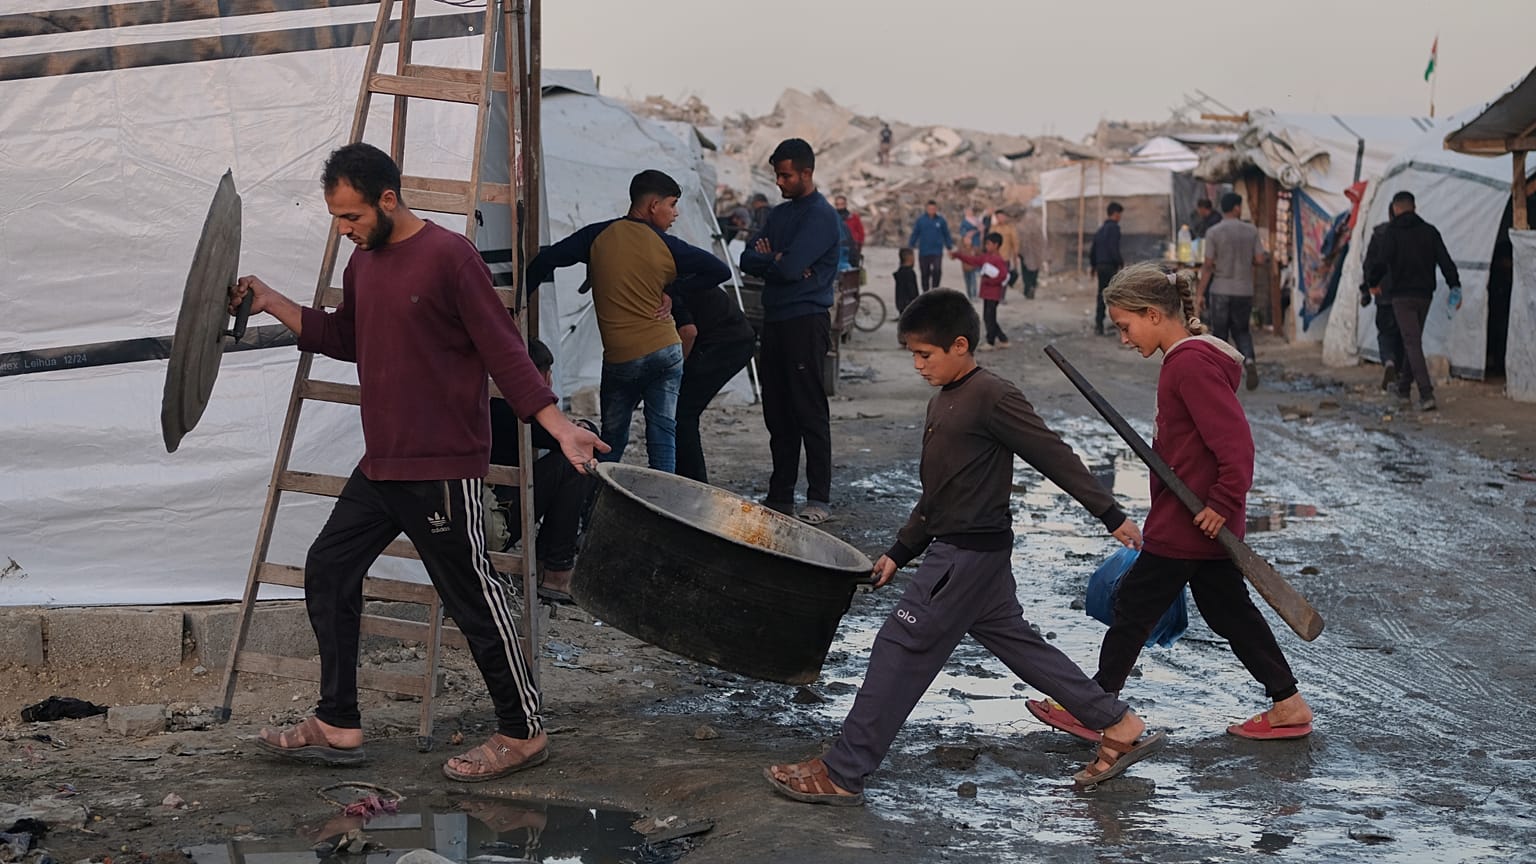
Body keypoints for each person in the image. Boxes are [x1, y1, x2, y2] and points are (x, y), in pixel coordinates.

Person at [235, 142, 607, 780]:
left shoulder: (448, 257)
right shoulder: (364, 265)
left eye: (352, 218)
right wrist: (273, 299)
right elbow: (345, 338)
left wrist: (557, 424)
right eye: (337, 220)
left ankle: (523, 732)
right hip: (383, 462)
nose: (345, 232)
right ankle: (339, 720)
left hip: (439, 466)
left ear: (388, 199)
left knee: (474, 596)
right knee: (328, 568)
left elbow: (504, 351)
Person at [762, 289, 1162, 805]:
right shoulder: (942, 400)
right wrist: (900, 551)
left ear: (959, 345)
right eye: (912, 354)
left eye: (924, 355)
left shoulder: (992, 394)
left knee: (898, 649)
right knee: (1021, 646)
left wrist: (1109, 514)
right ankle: (1120, 722)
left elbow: (1052, 454)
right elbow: (939, 493)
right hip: (972, 558)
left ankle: (844, 771)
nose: (917, 365)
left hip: (966, 557)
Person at [1031, 263, 1313, 745]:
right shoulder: (1186, 361)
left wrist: (1222, 502)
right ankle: (1287, 703)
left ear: (1154, 314)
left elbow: (1236, 445)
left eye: (1126, 326)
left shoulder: (1189, 363)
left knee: (1135, 608)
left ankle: (1097, 706)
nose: (1124, 338)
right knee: (1229, 613)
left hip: (1192, 522)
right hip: (1195, 522)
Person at [527, 170, 728, 473]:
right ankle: (661, 513)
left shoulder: (596, 236)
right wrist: (671, 289)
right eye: (672, 205)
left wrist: (515, 307)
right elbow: (719, 271)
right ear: (653, 205)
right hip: (666, 352)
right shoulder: (670, 247)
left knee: (611, 443)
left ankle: (596, 510)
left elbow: (546, 260)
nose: (675, 214)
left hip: (622, 360)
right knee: (663, 439)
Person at [739, 138, 840, 524]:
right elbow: (749, 258)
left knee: (808, 408)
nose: (779, 182)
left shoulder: (821, 216)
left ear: (806, 173)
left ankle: (818, 498)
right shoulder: (779, 216)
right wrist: (773, 260)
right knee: (777, 411)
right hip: (776, 321)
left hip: (805, 320)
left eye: (786, 175)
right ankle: (780, 495)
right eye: (777, 175)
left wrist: (776, 260)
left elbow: (788, 266)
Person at [488, 339, 597, 604]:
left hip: (467, 515)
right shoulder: (512, 407)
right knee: (574, 465)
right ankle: (556, 569)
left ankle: (548, 561)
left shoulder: (490, 399)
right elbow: (588, 437)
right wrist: (571, 423)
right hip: (490, 524)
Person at [1364, 190, 1461, 412]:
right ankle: (1404, 389)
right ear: (1414, 208)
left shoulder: (1392, 233)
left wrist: (1372, 282)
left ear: (1395, 209)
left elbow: (1381, 262)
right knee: (1412, 340)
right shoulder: (1430, 232)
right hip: (1425, 295)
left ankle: (1426, 394)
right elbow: (1445, 261)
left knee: (1412, 341)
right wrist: (1455, 285)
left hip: (1402, 296)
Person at [669, 267, 758, 484]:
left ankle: (692, 483)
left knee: (683, 412)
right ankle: (685, 478)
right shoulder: (679, 270)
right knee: (680, 411)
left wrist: (677, 370)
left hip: (726, 343)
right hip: (728, 337)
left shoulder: (669, 285)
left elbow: (688, 332)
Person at [1197, 192, 1268, 391]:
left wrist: (1199, 293)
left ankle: (1221, 373)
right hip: (1244, 290)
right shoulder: (1251, 230)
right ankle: (1250, 361)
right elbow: (1260, 259)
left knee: (1220, 333)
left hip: (1220, 289)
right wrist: (1248, 261)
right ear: (1237, 208)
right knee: (1242, 331)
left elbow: (1208, 264)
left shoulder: (1214, 231)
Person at [1361, 220, 1405, 392]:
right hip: (1405, 292)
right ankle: (1400, 373)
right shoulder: (1413, 232)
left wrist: (1367, 287)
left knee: (1386, 333)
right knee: (1403, 335)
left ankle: (1389, 362)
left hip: (1383, 292)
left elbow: (1369, 264)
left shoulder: (1379, 234)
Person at [950, 232, 1011, 349]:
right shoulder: (986, 257)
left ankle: (990, 341)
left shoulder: (998, 259)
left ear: (996, 245)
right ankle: (1003, 339)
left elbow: (1003, 276)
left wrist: (990, 282)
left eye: (988, 244)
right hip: (987, 293)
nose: (986, 246)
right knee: (989, 317)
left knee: (989, 317)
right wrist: (959, 256)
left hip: (993, 293)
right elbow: (973, 260)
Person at [1089, 202, 1124, 335]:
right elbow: (1113, 248)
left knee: (1101, 294)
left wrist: (1093, 266)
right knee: (1115, 296)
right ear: (1115, 214)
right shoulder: (1114, 228)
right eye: (1119, 214)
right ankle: (1120, 324)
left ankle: (1099, 324)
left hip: (1100, 266)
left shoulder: (1100, 230)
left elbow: (1093, 250)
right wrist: (1120, 262)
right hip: (1110, 266)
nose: (1120, 217)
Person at [908, 200, 953, 292]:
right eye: (930, 209)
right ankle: (926, 291)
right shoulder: (921, 220)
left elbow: (946, 234)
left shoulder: (941, 221)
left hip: (937, 251)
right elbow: (915, 233)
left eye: (933, 209)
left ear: (936, 209)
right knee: (925, 272)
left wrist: (949, 247)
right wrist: (911, 245)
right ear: (926, 209)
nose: (932, 210)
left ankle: (935, 290)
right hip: (924, 251)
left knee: (937, 270)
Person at [991, 209, 1021, 295]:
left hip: (1005, 257)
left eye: (1002, 217)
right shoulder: (994, 228)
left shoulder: (1010, 228)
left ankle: (1002, 296)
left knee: (1004, 277)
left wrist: (1015, 254)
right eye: (999, 217)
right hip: (994, 257)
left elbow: (1015, 241)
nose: (1001, 219)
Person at [958, 207, 985, 299]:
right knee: (968, 278)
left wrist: (978, 231)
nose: (969, 212)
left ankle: (974, 294)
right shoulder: (965, 222)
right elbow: (962, 232)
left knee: (973, 275)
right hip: (967, 245)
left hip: (976, 243)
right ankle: (970, 294)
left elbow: (982, 229)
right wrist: (968, 235)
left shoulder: (977, 220)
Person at [833, 195, 865, 268]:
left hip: (851, 248)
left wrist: (858, 246)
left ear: (846, 204)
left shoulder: (853, 218)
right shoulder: (832, 218)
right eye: (838, 204)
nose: (840, 207)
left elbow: (861, 233)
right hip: (836, 248)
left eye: (842, 204)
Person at [1019, 208, 1044, 299]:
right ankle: (1031, 287)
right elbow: (1042, 242)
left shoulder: (1021, 228)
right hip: (1032, 255)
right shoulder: (1037, 230)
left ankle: (1028, 289)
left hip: (1027, 255)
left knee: (1026, 273)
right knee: (1033, 273)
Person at [893, 247, 919, 314]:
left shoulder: (900, 271)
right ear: (909, 258)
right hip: (909, 305)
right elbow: (912, 290)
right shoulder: (909, 273)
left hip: (900, 304)